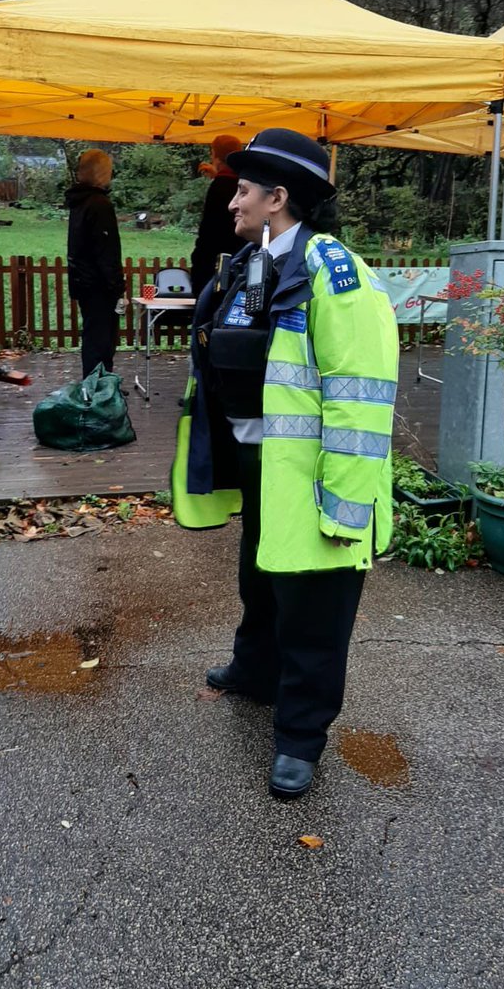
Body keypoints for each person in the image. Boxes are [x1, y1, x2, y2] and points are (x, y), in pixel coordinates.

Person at [172, 128, 399, 800]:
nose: (231, 201)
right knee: (261, 579)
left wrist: (344, 509)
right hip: (261, 465)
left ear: (277, 198)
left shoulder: (335, 273)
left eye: (242, 190)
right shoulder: (248, 263)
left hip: (314, 477)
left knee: (315, 612)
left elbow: (361, 401)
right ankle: (255, 670)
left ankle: (301, 737)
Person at [66, 149, 126, 377]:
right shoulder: (99, 204)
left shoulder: (79, 202)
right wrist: (118, 287)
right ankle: (98, 385)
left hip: (83, 281)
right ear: (102, 173)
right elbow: (107, 251)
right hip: (99, 285)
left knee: (93, 337)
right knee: (101, 342)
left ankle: (97, 382)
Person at [189, 134, 243, 297]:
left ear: (215, 156)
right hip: (240, 260)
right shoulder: (244, 184)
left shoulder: (219, 187)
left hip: (215, 265)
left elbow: (209, 231)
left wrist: (198, 260)